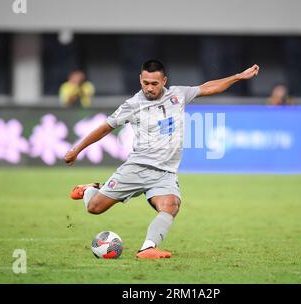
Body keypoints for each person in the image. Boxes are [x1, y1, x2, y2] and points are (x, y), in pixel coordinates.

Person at [63, 59, 260, 259]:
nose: (149, 88)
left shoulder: (177, 95)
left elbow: (207, 87)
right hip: (138, 168)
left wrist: (237, 77)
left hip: (165, 173)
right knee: (94, 208)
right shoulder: (132, 105)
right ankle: (90, 189)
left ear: (164, 81)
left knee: (171, 204)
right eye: (145, 83)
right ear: (140, 79)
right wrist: (76, 149)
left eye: (154, 84)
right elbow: (105, 128)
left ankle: (148, 248)